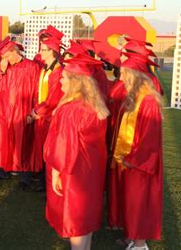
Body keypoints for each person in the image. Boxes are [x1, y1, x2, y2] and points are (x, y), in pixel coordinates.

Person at [43, 55, 109, 250]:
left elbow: (65, 145)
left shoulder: (71, 109)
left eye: (64, 77)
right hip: (91, 172)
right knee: (86, 218)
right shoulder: (95, 105)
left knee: (76, 220)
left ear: (75, 82)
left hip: (74, 173)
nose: (60, 80)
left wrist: (57, 172)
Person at [108, 52, 163, 250]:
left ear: (134, 75)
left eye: (124, 73)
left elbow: (150, 139)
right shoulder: (135, 97)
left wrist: (133, 159)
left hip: (140, 165)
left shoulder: (148, 101)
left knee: (139, 203)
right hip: (129, 162)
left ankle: (140, 245)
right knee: (131, 203)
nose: (120, 78)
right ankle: (133, 239)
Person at [0, 37, 40, 188]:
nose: (5, 59)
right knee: (2, 140)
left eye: (7, 56)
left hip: (22, 110)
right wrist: (1, 72)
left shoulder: (31, 67)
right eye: (3, 57)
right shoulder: (3, 68)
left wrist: (33, 110)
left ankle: (24, 175)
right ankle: (1, 170)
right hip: (4, 110)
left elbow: (37, 91)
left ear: (15, 52)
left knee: (22, 141)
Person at [29, 36, 63, 192]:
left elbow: (53, 99)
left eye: (43, 50)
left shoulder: (58, 72)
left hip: (50, 118)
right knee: (42, 149)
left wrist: (37, 111)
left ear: (53, 51)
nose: (39, 52)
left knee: (49, 151)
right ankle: (42, 180)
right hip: (41, 117)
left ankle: (48, 184)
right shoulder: (45, 69)